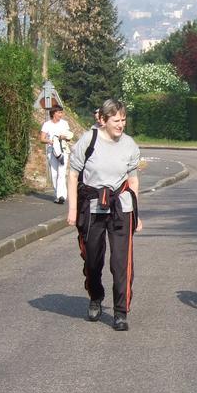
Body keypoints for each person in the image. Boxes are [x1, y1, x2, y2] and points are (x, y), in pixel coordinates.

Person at [67, 98, 142, 331]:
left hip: (121, 207)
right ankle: (95, 296)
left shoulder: (130, 145)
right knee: (93, 259)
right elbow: (72, 175)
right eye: (116, 120)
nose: (121, 124)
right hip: (92, 207)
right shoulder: (88, 141)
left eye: (124, 120)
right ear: (104, 120)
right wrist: (71, 209)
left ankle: (121, 312)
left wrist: (137, 213)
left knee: (121, 262)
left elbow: (133, 180)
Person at [40, 104, 73, 204]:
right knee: (54, 174)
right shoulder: (47, 125)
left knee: (62, 173)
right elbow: (42, 139)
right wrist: (50, 141)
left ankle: (62, 195)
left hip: (63, 150)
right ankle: (57, 195)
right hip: (52, 151)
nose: (61, 114)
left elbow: (69, 137)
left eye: (61, 112)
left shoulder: (64, 123)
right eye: (59, 112)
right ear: (54, 113)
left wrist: (63, 137)